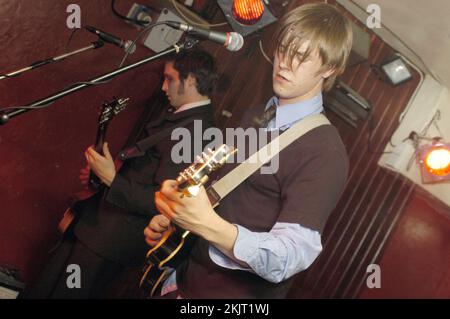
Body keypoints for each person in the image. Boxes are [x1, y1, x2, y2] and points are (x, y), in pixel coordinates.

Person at [144, 3, 353, 298]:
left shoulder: (325, 152)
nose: (284, 63)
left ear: (329, 68)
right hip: (183, 277)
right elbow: (223, 191)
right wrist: (176, 220)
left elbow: (289, 257)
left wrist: (205, 224)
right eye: (283, 49)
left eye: (301, 57)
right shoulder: (259, 114)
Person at [27, 48, 218, 298]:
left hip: (110, 242)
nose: (163, 87)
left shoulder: (195, 130)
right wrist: (103, 177)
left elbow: (163, 201)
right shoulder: (183, 119)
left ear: (191, 80)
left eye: (169, 78)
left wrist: (112, 180)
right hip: (98, 232)